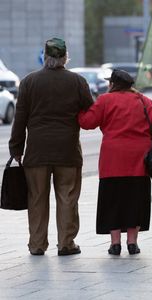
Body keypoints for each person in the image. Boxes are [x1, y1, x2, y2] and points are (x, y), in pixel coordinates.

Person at [9, 37, 94, 256]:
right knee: (67, 197)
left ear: (45, 57)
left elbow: (20, 118)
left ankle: (37, 244)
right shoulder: (77, 82)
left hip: (37, 151)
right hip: (68, 151)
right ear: (65, 57)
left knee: (37, 198)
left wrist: (16, 149)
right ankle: (66, 243)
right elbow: (90, 112)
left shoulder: (29, 82)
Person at [78, 69, 152, 255]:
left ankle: (115, 244)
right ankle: (132, 242)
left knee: (112, 201)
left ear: (113, 84)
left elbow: (87, 122)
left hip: (112, 160)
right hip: (139, 160)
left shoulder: (105, 100)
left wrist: (80, 110)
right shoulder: (144, 101)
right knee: (135, 201)